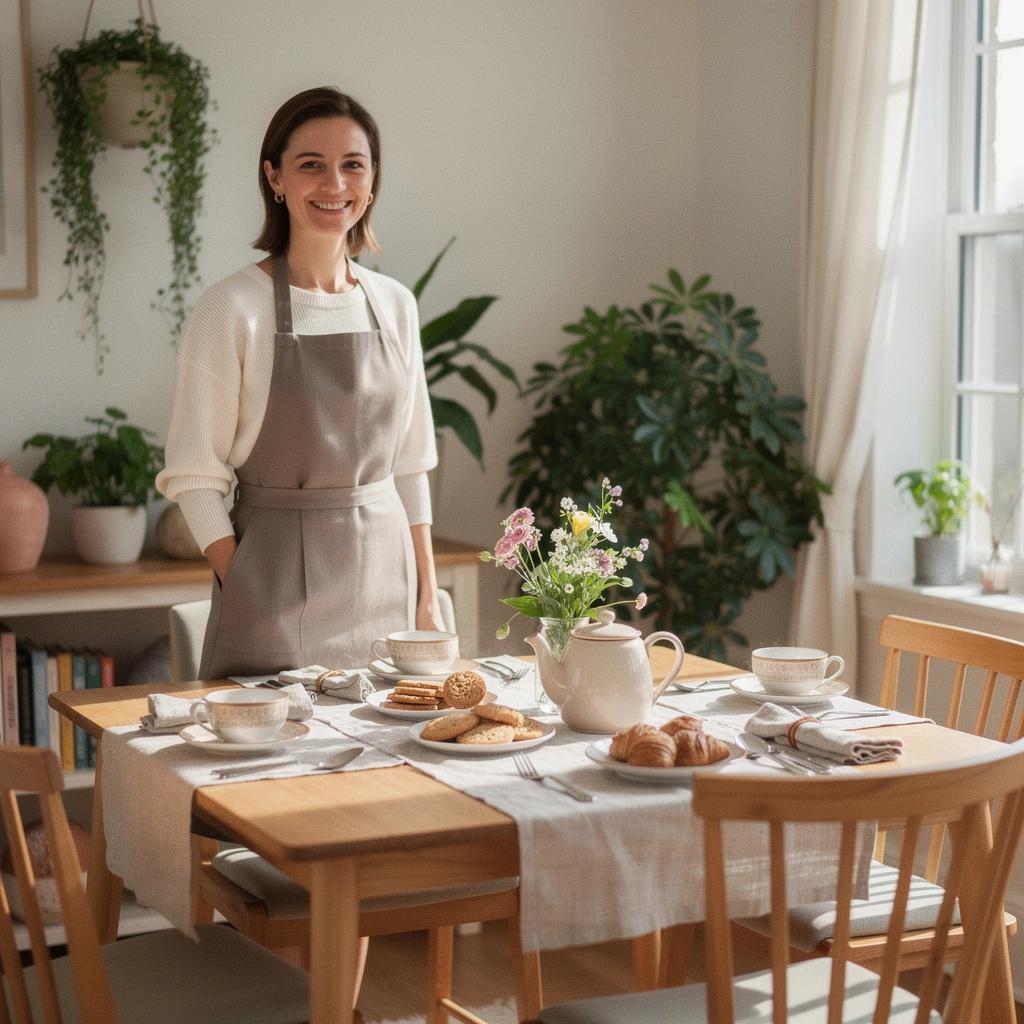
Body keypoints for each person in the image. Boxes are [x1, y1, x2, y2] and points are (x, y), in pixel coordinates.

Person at [157, 87, 443, 681]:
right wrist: (247, 587)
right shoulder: (230, 309)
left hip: (389, 589)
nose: (335, 184)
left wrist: (427, 599)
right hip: (273, 592)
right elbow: (194, 477)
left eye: (353, 165)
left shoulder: (395, 304)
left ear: (372, 179)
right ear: (275, 177)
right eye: (311, 164)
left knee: (391, 741)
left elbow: (410, 466)